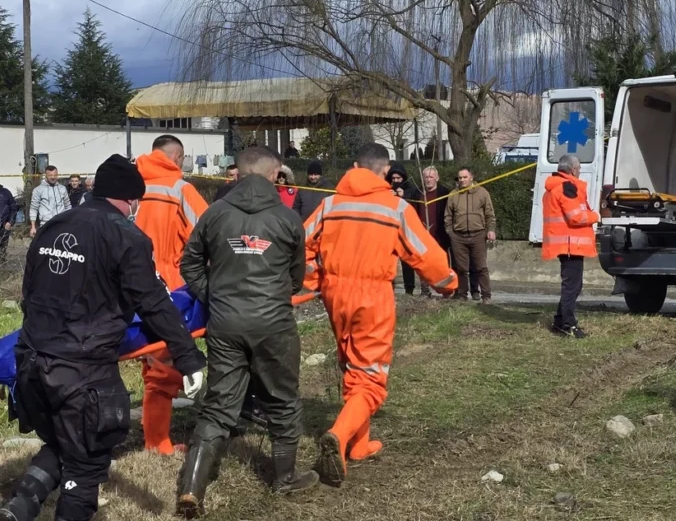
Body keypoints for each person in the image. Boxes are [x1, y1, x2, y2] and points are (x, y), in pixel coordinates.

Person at [0, 154, 206, 521]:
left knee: (63, 441)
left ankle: (20, 506)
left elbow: (29, 295)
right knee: (87, 462)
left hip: (32, 362)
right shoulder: (126, 236)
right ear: (130, 200)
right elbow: (154, 303)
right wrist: (188, 356)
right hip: (83, 370)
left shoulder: (53, 226)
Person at [303, 143, 457, 486]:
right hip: (372, 295)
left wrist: (313, 280)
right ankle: (339, 437)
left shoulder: (329, 205)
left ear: (355, 166)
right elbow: (424, 254)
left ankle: (359, 445)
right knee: (371, 378)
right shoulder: (396, 208)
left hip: (334, 293)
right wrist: (448, 282)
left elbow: (302, 245)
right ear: (386, 171)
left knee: (353, 367)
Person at [177, 147, 318, 516]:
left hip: (225, 323)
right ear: (275, 176)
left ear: (236, 174)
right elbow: (296, 278)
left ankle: (192, 487)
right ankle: (285, 478)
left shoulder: (215, 213)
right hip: (274, 323)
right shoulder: (288, 220)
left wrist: (214, 295)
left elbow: (189, 263)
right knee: (283, 398)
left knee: (219, 404)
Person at [134, 135, 211, 455]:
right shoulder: (180, 190)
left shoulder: (131, 186)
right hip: (168, 286)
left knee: (151, 359)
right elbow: (210, 231)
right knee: (165, 368)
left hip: (128, 285)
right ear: (177, 158)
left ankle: (154, 435)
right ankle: (157, 442)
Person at [541, 155, 598, 338]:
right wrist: (595, 216)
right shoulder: (567, 187)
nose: (580, 171)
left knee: (571, 285)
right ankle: (568, 325)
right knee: (572, 286)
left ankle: (560, 322)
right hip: (570, 245)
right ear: (573, 169)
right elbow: (576, 216)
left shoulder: (553, 187)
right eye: (579, 168)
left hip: (565, 244)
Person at [445, 167, 496, 305]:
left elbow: (490, 214)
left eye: (465, 177)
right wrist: (451, 232)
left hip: (478, 235)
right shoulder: (453, 195)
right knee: (461, 268)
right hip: (458, 237)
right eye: (460, 177)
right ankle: (462, 294)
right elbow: (448, 216)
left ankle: (486, 295)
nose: (462, 180)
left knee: (481, 267)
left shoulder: (482, 193)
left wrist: (491, 230)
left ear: (471, 178)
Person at [411, 166, 451, 297]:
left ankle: (446, 290)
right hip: (423, 236)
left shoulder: (445, 193)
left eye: (431, 177)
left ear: (437, 178)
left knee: (443, 264)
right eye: (426, 177)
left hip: (440, 234)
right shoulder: (418, 193)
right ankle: (425, 290)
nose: (428, 180)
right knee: (423, 264)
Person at [387, 162, 419, 295]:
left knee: (407, 261)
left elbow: (413, 209)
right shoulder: (386, 188)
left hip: (405, 230)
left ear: (403, 178)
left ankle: (409, 289)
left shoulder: (411, 190)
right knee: (389, 261)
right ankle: (389, 287)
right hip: (390, 229)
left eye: (398, 179)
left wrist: (403, 196)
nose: (396, 181)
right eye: (393, 179)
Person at [29, 165, 72, 237]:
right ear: (46, 175)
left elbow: (68, 206)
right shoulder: (38, 190)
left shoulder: (62, 188)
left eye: (55, 175)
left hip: (61, 224)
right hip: (46, 224)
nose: (53, 177)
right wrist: (33, 227)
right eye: (50, 175)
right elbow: (33, 208)